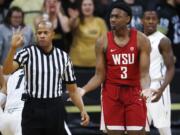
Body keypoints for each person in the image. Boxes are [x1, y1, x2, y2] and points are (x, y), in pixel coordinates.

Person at [2, 20, 89, 135]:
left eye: (45, 33)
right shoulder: (27, 52)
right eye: (39, 33)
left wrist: (82, 109)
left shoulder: (63, 57)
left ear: (52, 34)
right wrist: (12, 49)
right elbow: (7, 70)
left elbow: (72, 90)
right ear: (36, 35)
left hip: (54, 107)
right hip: (32, 106)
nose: (42, 35)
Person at [77, 1, 151, 135]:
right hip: (111, 94)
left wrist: (146, 89)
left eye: (117, 16)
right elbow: (99, 75)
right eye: (111, 16)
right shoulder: (102, 41)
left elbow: (144, 74)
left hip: (134, 93)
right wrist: (83, 90)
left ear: (128, 19)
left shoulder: (142, 40)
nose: (113, 19)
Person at [141, 8, 175, 135]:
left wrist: (162, 89)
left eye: (153, 19)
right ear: (141, 20)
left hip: (158, 86)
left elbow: (171, 68)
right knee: (141, 128)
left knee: (164, 129)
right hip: (141, 87)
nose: (150, 21)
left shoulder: (163, 40)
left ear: (158, 22)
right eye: (147, 18)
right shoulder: (137, 39)